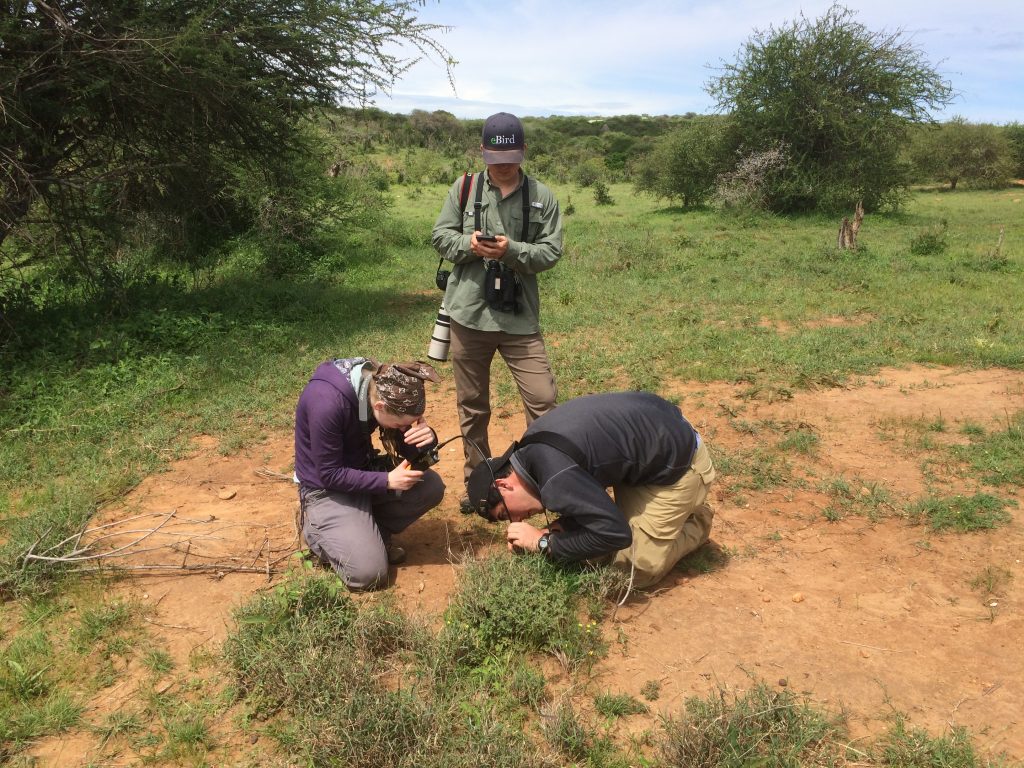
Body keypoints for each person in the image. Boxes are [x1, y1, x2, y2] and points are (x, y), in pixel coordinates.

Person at [431, 112, 563, 508]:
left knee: (543, 402)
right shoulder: (464, 188)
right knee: (473, 406)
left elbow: (551, 251)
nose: (503, 165)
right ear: (483, 153)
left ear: (522, 153)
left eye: (511, 157)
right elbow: (440, 235)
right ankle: (477, 485)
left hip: (519, 318)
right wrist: (470, 246)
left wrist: (513, 251)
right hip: (467, 314)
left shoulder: (543, 196)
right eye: (495, 157)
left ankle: (545, 478)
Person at [465, 391, 717, 589]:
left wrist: (542, 542)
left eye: (506, 515)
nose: (518, 520)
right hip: (654, 442)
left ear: (503, 484)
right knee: (595, 542)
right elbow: (579, 487)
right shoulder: (531, 451)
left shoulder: (554, 480)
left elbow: (616, 534)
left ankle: (698, 522)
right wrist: (555, 530)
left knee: (632, 571)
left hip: (680, 468)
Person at [294, 358, 445, 590]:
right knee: (369, 574)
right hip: (326, 490)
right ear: (380, 407)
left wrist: (426, 439)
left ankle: (371, 533)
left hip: (362, 471)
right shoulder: (326, 401)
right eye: (401, 425)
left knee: (430, 485)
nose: (404, 429)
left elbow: (409, 449)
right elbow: (329, 474)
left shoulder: (379, 385)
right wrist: (386, 481)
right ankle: (317, 533)